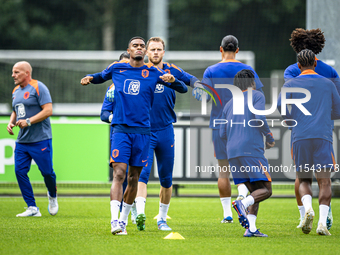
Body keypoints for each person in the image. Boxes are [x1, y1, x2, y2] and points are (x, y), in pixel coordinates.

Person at [80, 36, 187, 235]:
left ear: (144, 51)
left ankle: (122, 221)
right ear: (129, 50)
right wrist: (89, 78)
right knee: (119, 174)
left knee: (133, 178)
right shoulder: (117, 69)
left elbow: (182, 88)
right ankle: (114, 221)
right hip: (121, 130)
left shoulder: (154, 72)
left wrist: (174, 81)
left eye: (141, 46)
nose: (139, 48)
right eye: (135, 45)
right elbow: (100, 76)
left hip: (143, 132)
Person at [193, 35, 264, 223]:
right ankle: (242, 197)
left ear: (221, 49)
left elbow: (204, 97)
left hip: (219, 125)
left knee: (223, 170)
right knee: (246, 169)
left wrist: (198, 89)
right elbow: (258, 94)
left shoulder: (211, 70)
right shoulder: (247, 69)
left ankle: (227, 214)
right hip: (243, 126)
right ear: (238, 50)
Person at [131, 37, 198, 231]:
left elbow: (190, 81)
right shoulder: (139, 71)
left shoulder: (172, 70)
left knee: (166, 178)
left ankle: (162, 219)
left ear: (163, 52)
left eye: (159, 49)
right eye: (152, 49)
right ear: (146, 52)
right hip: (144, 131)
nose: (155, 52)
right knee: (142, 174)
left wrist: (203, 88)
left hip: (166, 130)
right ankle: (141, 213)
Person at [278, 49, 340, 236]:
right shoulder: (328, 84)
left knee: (304, 178)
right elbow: (338, 111)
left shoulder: (290, 83)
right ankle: (322, 223)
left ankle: (308, 209)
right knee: (325, 181)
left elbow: (281, 108)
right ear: (315, 63)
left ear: (298, 66)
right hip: (322, 136)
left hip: (300, 135)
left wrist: (292, 117)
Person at [220, 69, 274, 237]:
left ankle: (250, 229)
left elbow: (222, 133)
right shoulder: (256, 95)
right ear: (252, 83)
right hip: (251, 150)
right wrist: (269, 135)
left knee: (255, 191)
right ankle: (241, 204)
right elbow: (259, 117)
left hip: (233, 152)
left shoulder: (229, 103)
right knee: (266, 190)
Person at [7, 61, 58, 217]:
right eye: (12, 72)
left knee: (47, 173)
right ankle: (32, 207)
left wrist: (28, 121)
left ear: (26, 73)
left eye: (16, 72)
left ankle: (52, 196)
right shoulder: (16, 90)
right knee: (19, 171)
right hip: (22, 141)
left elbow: (48, 110)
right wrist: (11, 121)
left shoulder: (39, 87)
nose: (13, 75)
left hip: (40, 139)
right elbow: (16, 110)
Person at [101, 52, 130, 213]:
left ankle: (132, 207)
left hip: (140, 134)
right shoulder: (112, 89)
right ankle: (118, 210)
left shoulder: (143, 82)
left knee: (135, 174)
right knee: (120, 172)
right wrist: (118, 117)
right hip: (119, 134)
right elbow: (104, 114)